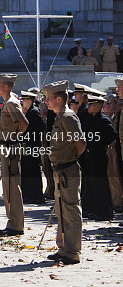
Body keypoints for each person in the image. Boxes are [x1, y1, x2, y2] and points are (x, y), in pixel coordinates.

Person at [42, 80, 85, 265]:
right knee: (61, 210)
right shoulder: (59, 116)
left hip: (68, 170)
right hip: (59, 170)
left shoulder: (68, 117)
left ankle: (73, 252)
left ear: (59, 99)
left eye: (49, 98)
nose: (46, 101)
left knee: (71, 211)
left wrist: (68, 158)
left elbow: (81, 144)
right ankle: (63, 248)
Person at [0, 73, 28, 237]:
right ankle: (12, 222)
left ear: (6, 87)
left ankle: (16, 224)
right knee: (7, 187)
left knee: (12, 187)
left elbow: (24, 124)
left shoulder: (12, 103)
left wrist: (14, 139)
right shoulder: (8, 102)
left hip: (10, 149)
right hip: (6, 147)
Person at [78, 93, 117, 221]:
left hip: (98, 155)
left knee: (101, 184)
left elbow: (112, 135)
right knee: (93, 184)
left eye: (91, 105)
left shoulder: (103, 120)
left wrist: (101, 144)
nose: (88, 107)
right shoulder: (91, 119)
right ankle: (96, 209)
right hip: (90, 154)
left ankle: (105, 211)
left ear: (98, 107)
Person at [19, 91, 45, 204]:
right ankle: (28, 194)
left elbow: (42, 126)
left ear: (29, 101)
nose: (22, 102)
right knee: (26, 169)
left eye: (24, 100)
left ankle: (36, 195)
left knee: (33, 170)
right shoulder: (28, 111)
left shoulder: (34, 112)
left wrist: (33, 135)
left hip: (32, 144)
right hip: (26, 144)